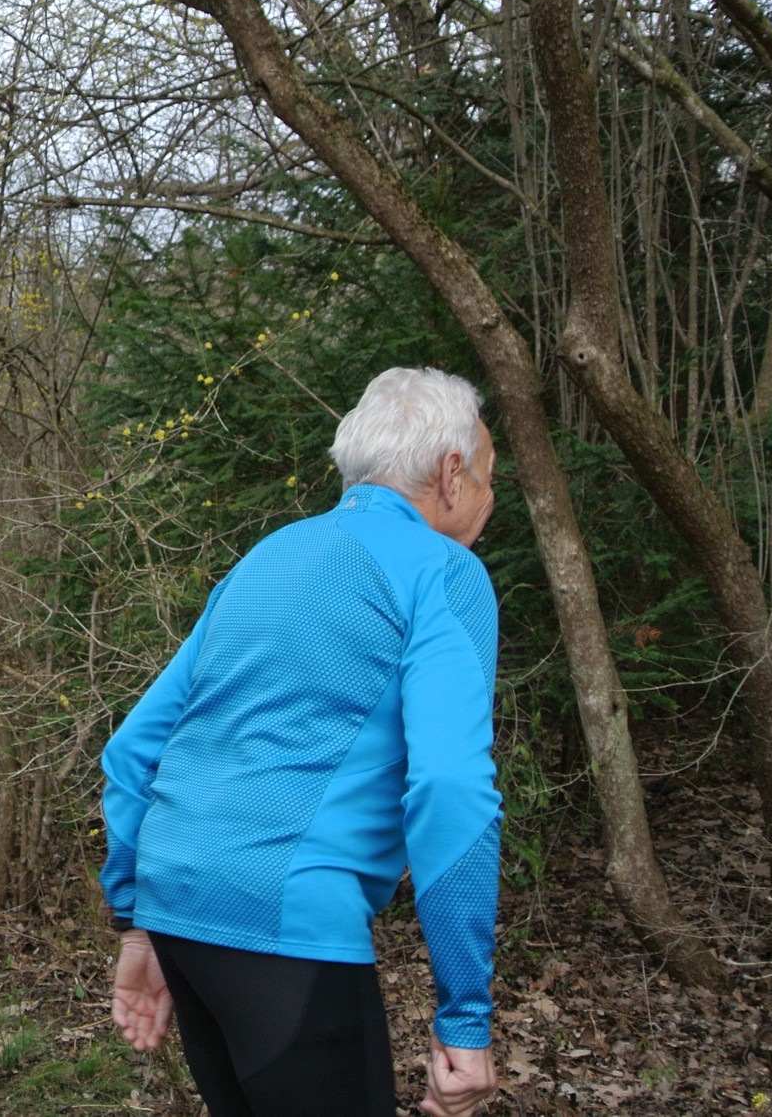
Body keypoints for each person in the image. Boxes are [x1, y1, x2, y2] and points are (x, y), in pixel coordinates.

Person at [99, 367, 503, 1117]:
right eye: (488, 476)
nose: (489, 497)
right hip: (287, 922)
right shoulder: (445, 572)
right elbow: (450, 785)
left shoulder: (268, 558)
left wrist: (136, 920)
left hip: (178, 909)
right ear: (452, 474)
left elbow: (132, 751)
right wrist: (465, 1014)